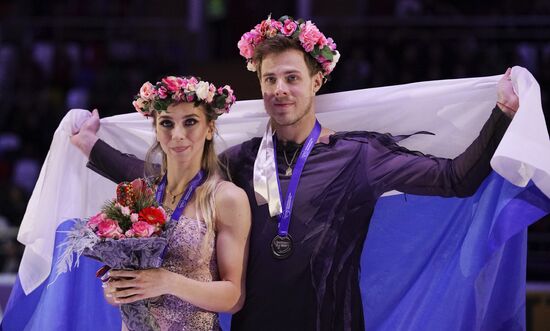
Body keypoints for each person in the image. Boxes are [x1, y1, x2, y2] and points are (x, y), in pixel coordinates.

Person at [70, 16, 519, 331]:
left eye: (291, 78)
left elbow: (456, 179)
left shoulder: (358, 156)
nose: (279, 90)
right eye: (269, 80)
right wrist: (93, 146)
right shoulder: (242, 160)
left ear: (316, 81)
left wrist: (502, 113)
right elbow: (171, 173)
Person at [98, 75, 251, 331]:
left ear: (210, 128)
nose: (177, 135)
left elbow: (234, 296)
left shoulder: (227, 198)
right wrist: (116, 290)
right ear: (156, 131)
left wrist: (167, 282)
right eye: (167, 123)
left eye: (190, 122)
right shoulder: (138, 194)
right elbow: (116, 287)